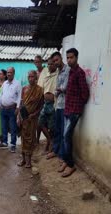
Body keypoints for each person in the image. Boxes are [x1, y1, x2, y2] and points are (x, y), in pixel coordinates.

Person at [60, 48, 89, 177]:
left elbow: (85, 93)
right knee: (66, 136)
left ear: (76, 58)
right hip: (67, 109)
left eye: (71, 57)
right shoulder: (70, 72)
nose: (69, 60)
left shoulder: (79, 73)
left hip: (74, 111)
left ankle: (71, 165)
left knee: (66, 136)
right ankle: (67, 160)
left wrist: (78, 106)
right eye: (68, 58)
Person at [46, 52, 70, 161]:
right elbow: (57, 90)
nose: (55, 62)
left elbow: (64, 88)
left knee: (64, 132)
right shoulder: (58, 72)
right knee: (57, 130)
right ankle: (55, 151)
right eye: (54, 61)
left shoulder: (68, 70)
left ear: (61, 58)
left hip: (66, 105)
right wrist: (58, 91)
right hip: (58, 105)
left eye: (56, 60)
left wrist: (59, 90)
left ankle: (62, 154)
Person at [17, 70, 43, 168]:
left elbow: (41, 105)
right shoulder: (24, 89)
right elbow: (21, 104)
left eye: (32, 77)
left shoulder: (40, 90)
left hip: (32, 118)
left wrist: (35, 114)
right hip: (23, 117)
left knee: (30, 139)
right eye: (29, 77)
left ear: (36, 78)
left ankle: (29, 161)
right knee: (23, 138)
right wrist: (18, 116)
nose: (30, 79)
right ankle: (23, 159)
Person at [0, 67, 22, 153]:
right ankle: (4, 142)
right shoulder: (5, 83)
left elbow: (19, 97)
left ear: (13, 73)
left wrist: (18, 108)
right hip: (3, 108)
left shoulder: (17, 84)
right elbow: (1, 95)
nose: (9, 74)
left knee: (13, 127)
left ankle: (13, 145)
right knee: (4, 126)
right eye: (7, 72)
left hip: (12, 109)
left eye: (10, 72)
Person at [37, 57, 58, 154]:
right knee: (40, 123)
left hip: (53, 104)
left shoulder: (58, 74)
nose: (50, 66)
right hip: (45, 103)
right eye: (48, 64)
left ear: (55, 64)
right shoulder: (45, 75)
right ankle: (50, 140)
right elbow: (41, 88)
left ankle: (51, 146)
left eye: (52, 64)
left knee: (52, 126)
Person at [34, 55, 49, 144]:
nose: (37, 63)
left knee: (44, 121)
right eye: (35, 62)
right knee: (37, 121)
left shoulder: (46, 71)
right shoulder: (35, 73)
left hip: (45, 98)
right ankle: (37, 138)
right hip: (37, 99)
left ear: (41, 62)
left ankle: (49, 140)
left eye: (38, 62)